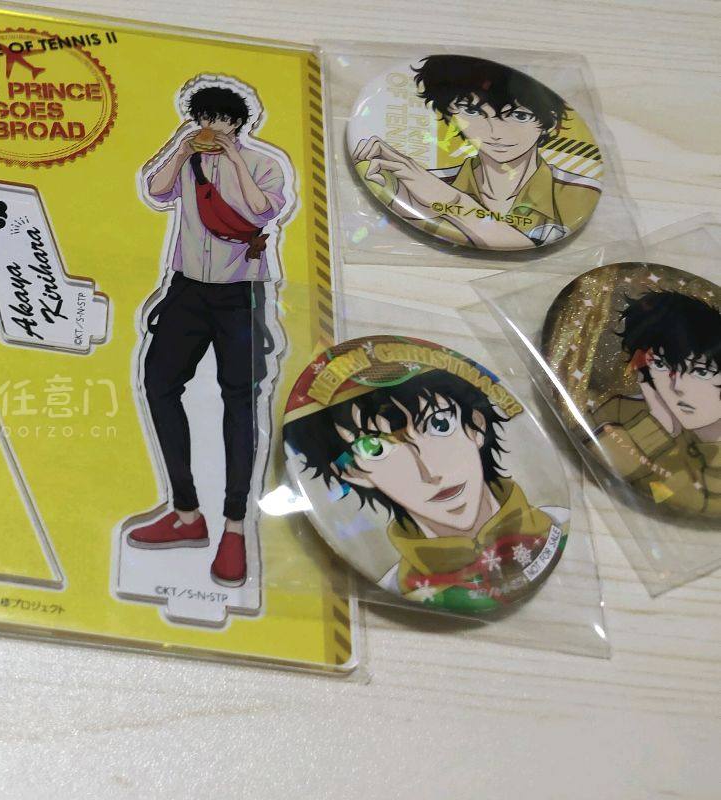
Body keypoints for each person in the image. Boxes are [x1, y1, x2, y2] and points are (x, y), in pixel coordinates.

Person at [126, 75, 293, 588]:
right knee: (158, 384)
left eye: (220, 119)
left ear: (238, 123)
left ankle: (235, 528)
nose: (211, 127)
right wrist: (180, 150)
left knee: (240, 402)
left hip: (241, 293)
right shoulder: (190, 158)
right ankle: (186, 512)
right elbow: (155, 191)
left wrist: (235, 159)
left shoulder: (263, 164)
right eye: (204, 118)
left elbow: (260, 210)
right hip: (187, 289)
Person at [282, 338, 566, 609]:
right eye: (375, 449)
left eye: (440, 424)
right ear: (352, 471)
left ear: (476, 426)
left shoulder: (557, 525)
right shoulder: (398, 583)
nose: (430, 472)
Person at [353, 54, 601, 249]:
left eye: (519, 116)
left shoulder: (578, 194)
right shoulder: (417, 186)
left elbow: (526, 242)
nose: (496, 132)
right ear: (450, 115)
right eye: (473, 112)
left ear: (550, 121)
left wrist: (448, 200)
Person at [593, 290, 721, 515]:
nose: (677, 387)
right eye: (661, 365)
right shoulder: (619, 412)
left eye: (701, 371)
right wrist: (660, 424)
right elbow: (604, 462)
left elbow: (694, 499)